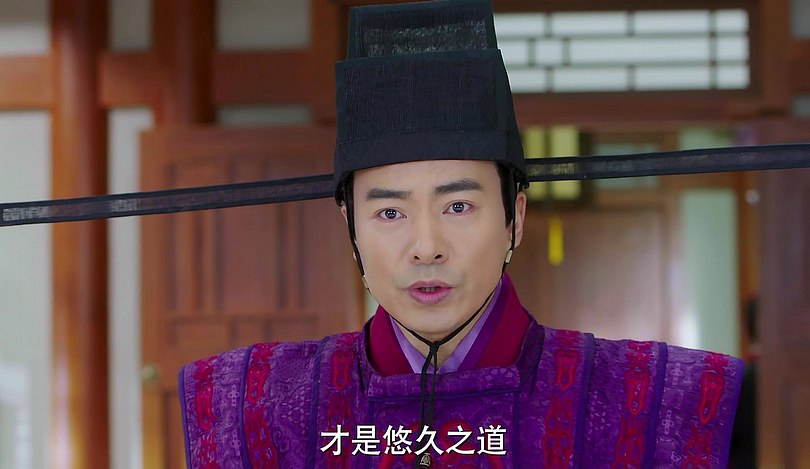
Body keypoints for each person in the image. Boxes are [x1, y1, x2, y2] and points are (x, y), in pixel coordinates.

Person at [179, 1, 743, 467]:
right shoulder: (254, 405)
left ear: (514, 218)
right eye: (390, 213)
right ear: (349, 225)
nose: (426, 247)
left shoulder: (656, 401)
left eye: (457, 205)